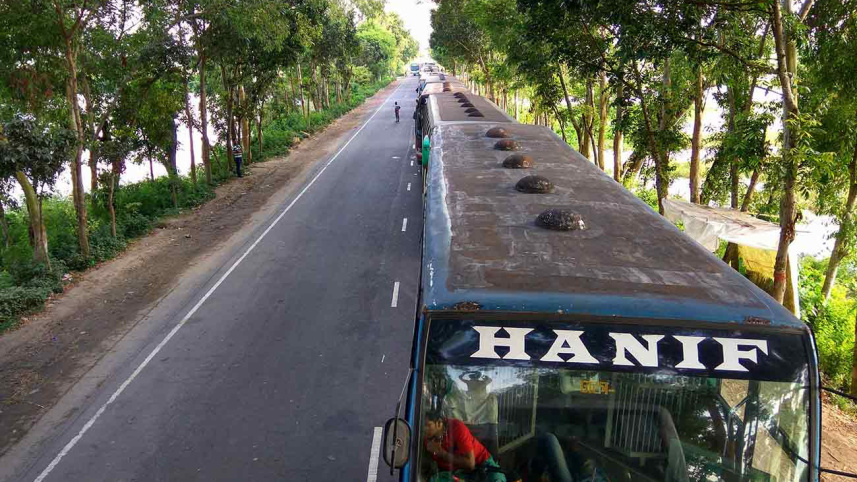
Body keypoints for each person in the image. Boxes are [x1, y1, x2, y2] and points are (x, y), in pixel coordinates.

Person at [423, 411, 506, 482]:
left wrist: (442, 454)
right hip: (457, 473)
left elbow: (470, 464)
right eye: (423, 425)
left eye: (428, 425)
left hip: (482, 463)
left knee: (497, 479)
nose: (424, 429)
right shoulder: (426, 439)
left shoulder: (456, 427)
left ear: (439, 423)